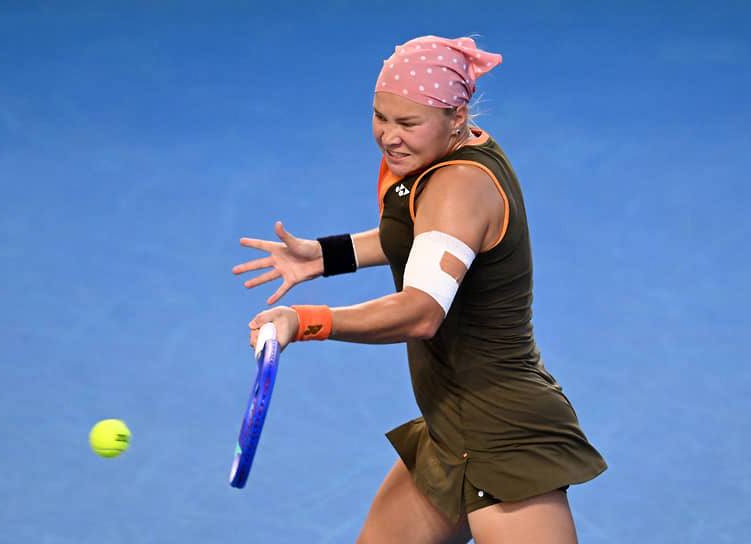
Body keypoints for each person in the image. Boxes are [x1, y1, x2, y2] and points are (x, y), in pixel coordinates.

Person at [232, 35, 607, 544]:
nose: (389, 136)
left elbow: (421, 312)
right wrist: (324, 256)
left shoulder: (459, 186)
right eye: (380, 117)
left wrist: (306, 321)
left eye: (408, 123)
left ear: (457, 116)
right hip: (450, 424)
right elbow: (422, 238)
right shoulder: (448, 156)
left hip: (504, 435)